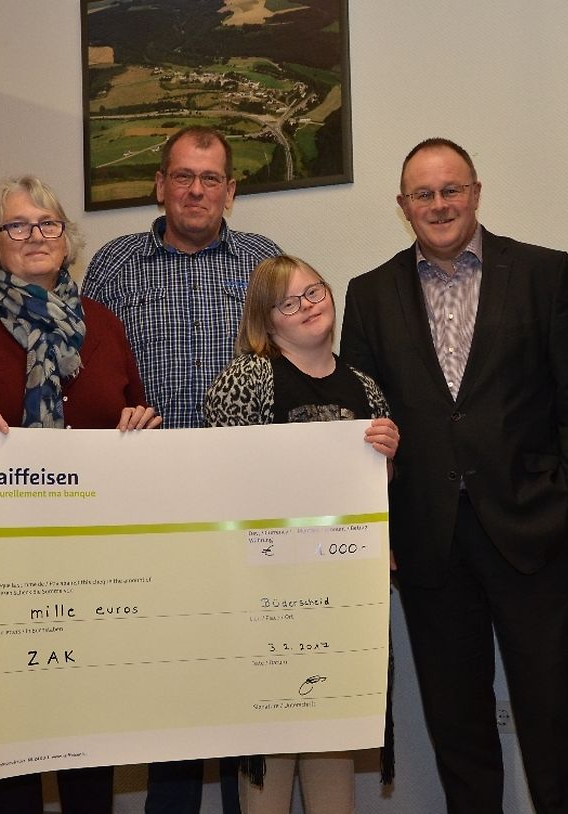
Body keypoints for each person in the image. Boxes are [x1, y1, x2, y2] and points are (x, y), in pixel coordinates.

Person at [340, 138, 568, 814]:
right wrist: (379, 524)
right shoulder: (369, 294)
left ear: (476, 192)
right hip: (429, 541)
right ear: (403, 206)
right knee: (457, 726)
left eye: (451, 190)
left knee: (551, 715)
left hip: (531, 530)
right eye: (423, 194)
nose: (439, 205)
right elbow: (363, 421)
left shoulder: (542, 272)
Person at [0, 175, 159, 813]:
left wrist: (138, 425)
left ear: (67, 238)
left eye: (48, 223)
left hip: (95, 550)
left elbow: (131, 415)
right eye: (16, 225)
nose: (35, 236)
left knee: (89, 713)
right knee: (14, 716)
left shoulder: (104, 324)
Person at [83, 126, 281, 813]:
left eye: (211, 178)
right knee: (172, 680)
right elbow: (86, 374)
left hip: (244, 502)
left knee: (245, 673)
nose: (196, 190)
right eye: (183, 176)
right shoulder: (113, 265)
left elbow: (294, 361)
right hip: (151, 505)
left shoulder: (263, 262)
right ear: (160, 184)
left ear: (231, 190)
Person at [204, 254, 398, 814]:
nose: (308, 306)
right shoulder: (247, 378)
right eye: (288, 303)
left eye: (314, 291)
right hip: (268, 595)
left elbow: (379, 494)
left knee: (333, 740)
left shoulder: (365, 387)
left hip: (343, 594)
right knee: (269, 749)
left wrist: (388, 460)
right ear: (266, 321)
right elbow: (219, 481)